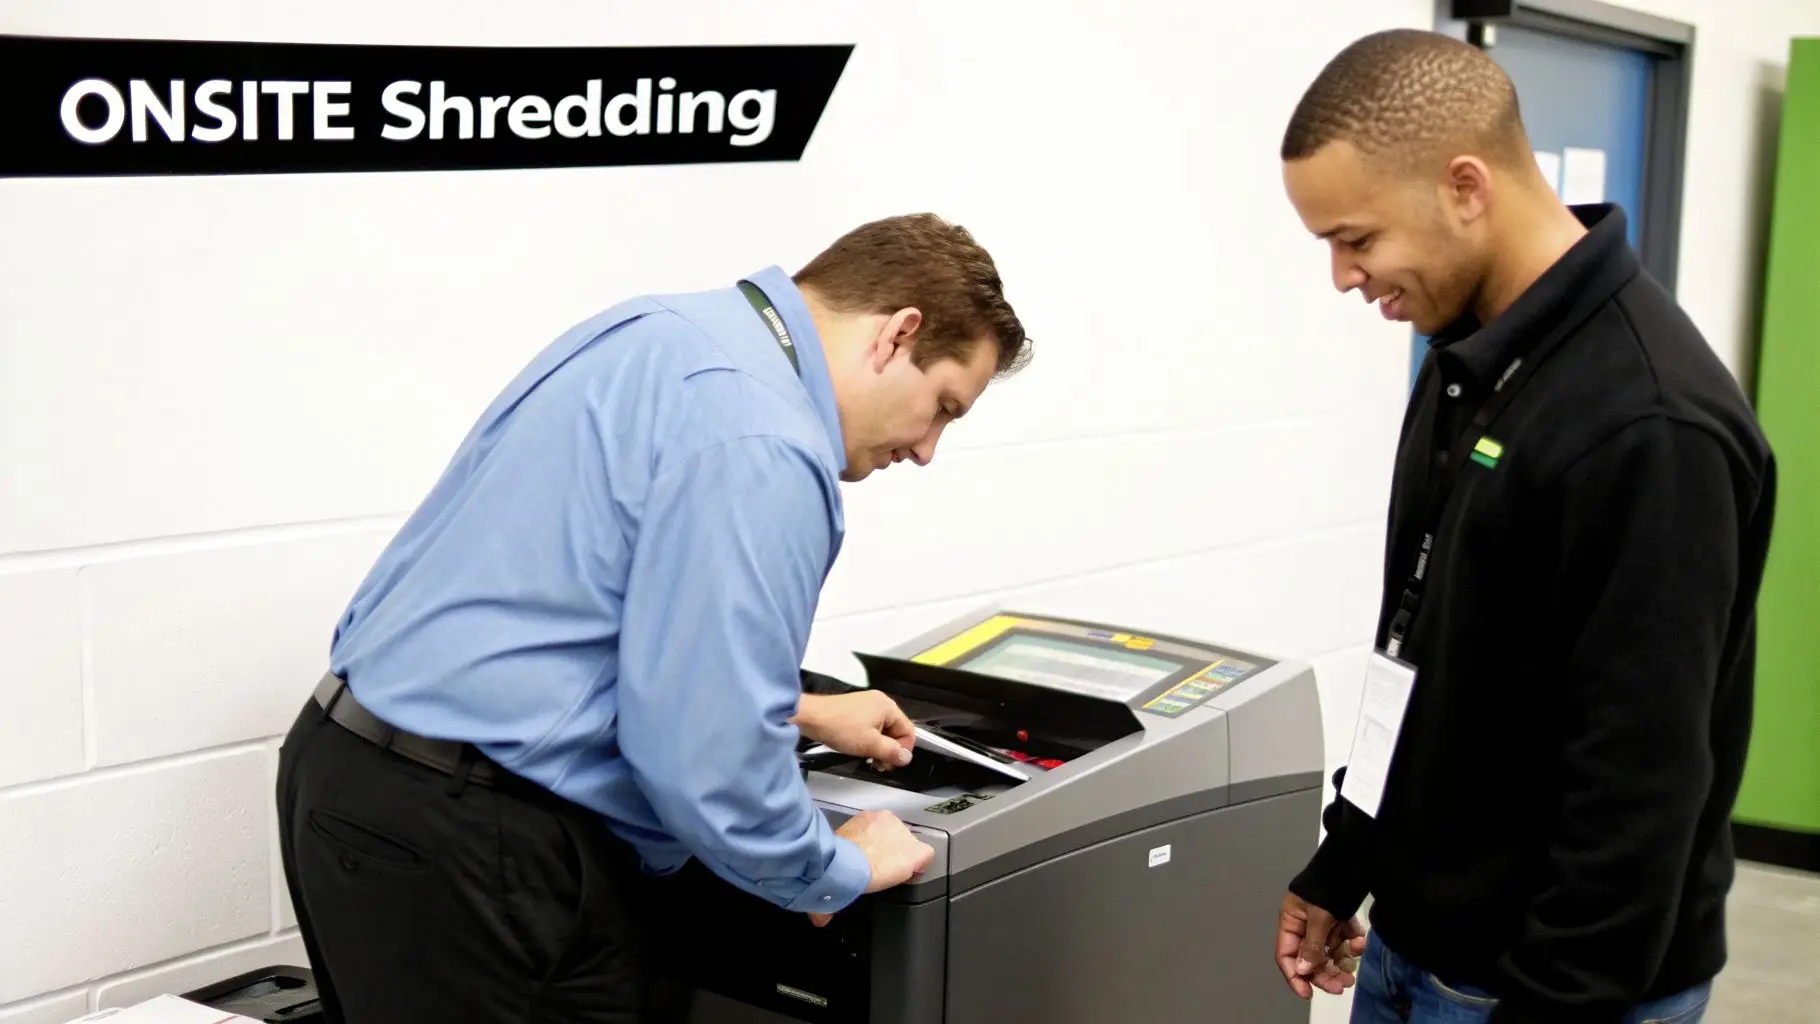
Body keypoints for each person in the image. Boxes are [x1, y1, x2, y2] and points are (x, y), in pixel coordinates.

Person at [276, 212, 1031, 1023]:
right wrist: (831, 868)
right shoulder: (766, 440)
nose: (926, 448)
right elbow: (708, 761)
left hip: (351, 775)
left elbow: (574, 604)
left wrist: (797, 708)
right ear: (897, 334)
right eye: (943, 406)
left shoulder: (660, 332)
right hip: (478, 837)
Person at [1271, 28, 1776, 1024]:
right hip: (1412, 945)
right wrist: (1348, 854)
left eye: (1357, 239)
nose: (1341, 276)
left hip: (1544, 985)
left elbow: (1640, 789)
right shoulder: (1467, 360)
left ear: (1465, 187)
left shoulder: (1650, 421)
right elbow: (1416, 644)